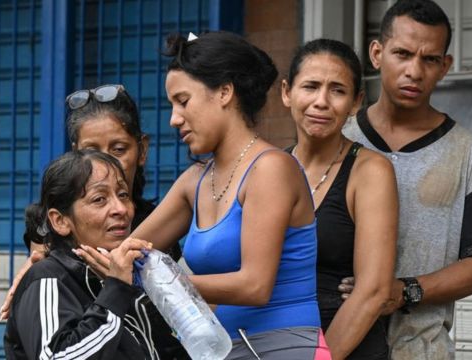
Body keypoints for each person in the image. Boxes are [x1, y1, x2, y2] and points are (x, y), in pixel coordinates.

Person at [118, 31, 326, 359]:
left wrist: (165, 283)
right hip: (223, 349)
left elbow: (255, 286)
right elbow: (123, 255)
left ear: (225, 92)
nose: (174, 119)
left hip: (283, 347)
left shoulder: (271, 168)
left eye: (183, 101)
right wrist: (47, 255)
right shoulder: (195, 181)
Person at [340, 0, 472, 358]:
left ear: (445, 66)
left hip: (420, 349)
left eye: (429, 59)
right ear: (376, 53)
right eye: (402, 54)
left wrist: (405, 290)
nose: (414, 71)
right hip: (332, 341)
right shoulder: (339, 139)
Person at [1, 85, 181, 320]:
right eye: (92, 150)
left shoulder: (160, 225)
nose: (105, 161)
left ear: (142, 150)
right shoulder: (47, 225)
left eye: (118, 149)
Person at [3, 150, 188, 359]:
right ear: (60, 221)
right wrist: (116, 289)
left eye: (123, 195)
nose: (120, 209)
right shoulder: (48, 278)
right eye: (99, 199)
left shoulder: (130, 275)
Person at [281, 38, 398, 359]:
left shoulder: (370, 171)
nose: (321, 101)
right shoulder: (268, 169)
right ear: (286, 92)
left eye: (337, 90)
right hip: (273, 344)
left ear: (356, 102)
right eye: (310, 86)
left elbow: (372, 292)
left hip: (346, 346)